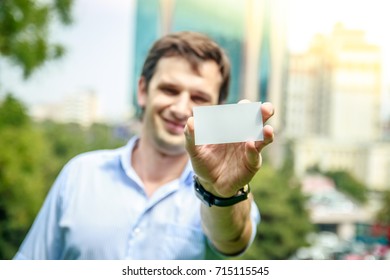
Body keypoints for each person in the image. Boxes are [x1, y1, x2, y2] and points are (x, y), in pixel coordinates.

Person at [14, 31, 274, 260]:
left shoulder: (227, 192)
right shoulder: (80, 174)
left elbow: (232, 240)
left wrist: (219, 193)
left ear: (218, 107)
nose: (181, 108)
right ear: (142, 90)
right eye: (170, 90)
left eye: (199, 97)